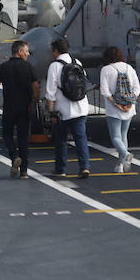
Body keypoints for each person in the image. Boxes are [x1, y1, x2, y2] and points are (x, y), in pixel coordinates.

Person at [0, 40, 39, 179]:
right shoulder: (29, 67)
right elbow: (35, 86)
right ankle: (24, 171)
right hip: (25, 108)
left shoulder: (3, 67)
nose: (28, 54)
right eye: (26, 51)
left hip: (9, 107)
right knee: (23, 138)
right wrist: (36, 100)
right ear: (20, 52)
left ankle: (14, 156)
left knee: (7, 134)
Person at [45, 38, 91, 179]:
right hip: (81, 106)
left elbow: (50, 92)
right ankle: (84, 167)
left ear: (56, 51)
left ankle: (61, 169)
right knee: (81, 138)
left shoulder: (54, 66)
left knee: (61, 140)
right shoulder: (77, 62)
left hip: (63, 110)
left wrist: (51, 112)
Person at [99, 46, 140, 173]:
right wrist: (129, 104)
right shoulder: (129, 68)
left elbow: (105, 91)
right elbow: (137, 89)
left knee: (115, 137)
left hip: (114, 109)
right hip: (129, 107)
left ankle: (125, 154)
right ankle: (120, 165)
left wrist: (117, 104)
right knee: (124, 135)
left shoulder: (105, 70)